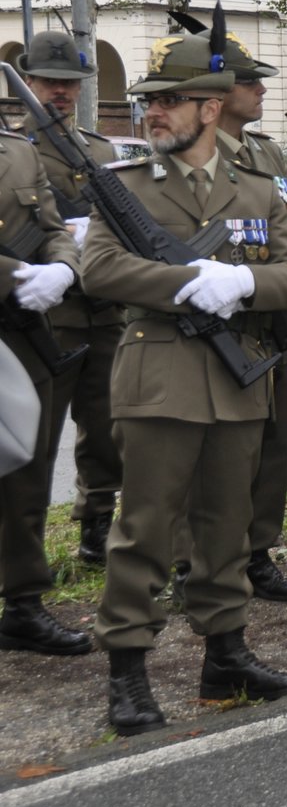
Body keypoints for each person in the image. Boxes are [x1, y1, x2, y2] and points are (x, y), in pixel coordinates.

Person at [81, 33, 287, 734]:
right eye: (149, 101)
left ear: (210, 108)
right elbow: (99, 270)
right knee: (146, 528)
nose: (152, 112)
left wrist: (242, 280)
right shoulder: (125, 186)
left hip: (237, 378)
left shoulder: (256, 188)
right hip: (160, 375)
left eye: (169, 100)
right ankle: (127, 668)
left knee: (227, 525)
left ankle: (226, 652)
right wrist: (189, 282)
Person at [199, 11, 287, 603]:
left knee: (273, 437)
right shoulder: (189, 156)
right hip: (216, 320)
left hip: (274, 312)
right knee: (210, 446)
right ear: (218, 94)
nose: (262, 90)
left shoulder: (267, 154)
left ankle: (257, 550)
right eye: (251, 82)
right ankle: (192, 559)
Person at [14, 30, 121, 567]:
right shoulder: (15, 153)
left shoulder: (101, 150)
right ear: (27, 82)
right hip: (48, 315)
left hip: (105, 311)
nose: (60, 92)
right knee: (37, 438)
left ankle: (96, 522)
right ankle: (24, 550)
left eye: (69, 84)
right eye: (49, 82)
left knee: (104, 428)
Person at [0, 120, 91, 657]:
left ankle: (24, 605)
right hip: (15, 303)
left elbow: (53, 226)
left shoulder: (18, 150)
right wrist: (14, 273)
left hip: (24, 333)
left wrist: (61, 266)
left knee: (26, 478)